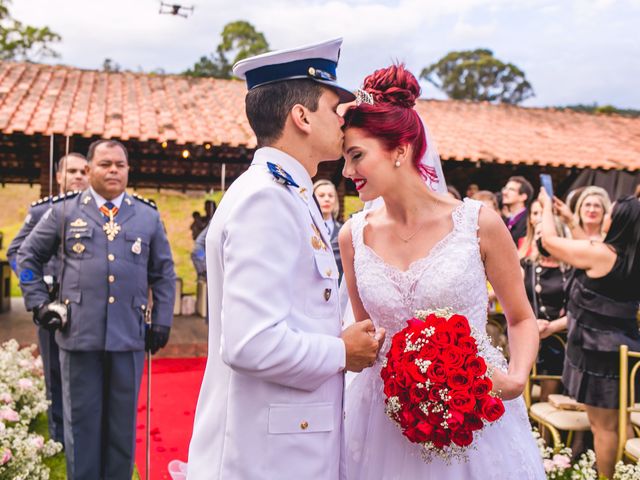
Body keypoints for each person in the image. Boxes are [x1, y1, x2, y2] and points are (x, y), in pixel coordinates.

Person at [187, 38, 384, 480]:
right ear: (301, 116)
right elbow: (250, 342)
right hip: (267, 453)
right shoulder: (267, 199)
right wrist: (341, 350)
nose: (343, 122)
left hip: (288, 440)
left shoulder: (290, 192)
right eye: (335, 109)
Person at [340, 64, 544, 478]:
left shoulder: (479, 224)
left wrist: (516, 377)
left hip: (475, 414)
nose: (347, 173)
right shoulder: (352, 236)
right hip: (382, 419)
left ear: (400, 149)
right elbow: (366, 336)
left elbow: (522, 318)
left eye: (356, 155)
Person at [17, 139, 176, 479]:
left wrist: (162, 321)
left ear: (128, 169)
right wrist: (39, 303)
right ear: (89, 170)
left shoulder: (147, 216)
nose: (113, 170)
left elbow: (164, 273)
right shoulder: (63, 212)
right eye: (105, 164)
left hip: (129, 336)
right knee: (82, 423)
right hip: (79, 337)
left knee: (121, 426)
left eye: (120, 164)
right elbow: (26, 257)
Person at [539, 192, 640, 479]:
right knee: (621, 421)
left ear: (617, 219)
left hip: (599, 353)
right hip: (623, 347)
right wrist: (570, 219)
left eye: (611, 211)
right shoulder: (630, 256)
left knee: (604, 427)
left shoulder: (603, 254)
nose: (606, 215)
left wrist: (546, 207)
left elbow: (548, 242)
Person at [7, 152, 89, 445]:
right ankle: (58, 436)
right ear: (58, 177)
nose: (78, 176)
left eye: (83, 171)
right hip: (52, 306)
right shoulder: (44, 211)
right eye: (72, 171)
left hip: (86, 306)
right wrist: (37, 291)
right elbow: (17, 253)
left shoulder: (97, 212)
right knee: (55, 372)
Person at [519, 199, 570, 402]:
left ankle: (546, 433)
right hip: (530, 333)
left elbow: (578, 308)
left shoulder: (571, 269)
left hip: (560, 337)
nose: (542, 240)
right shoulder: (526, 265)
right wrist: (532, 323)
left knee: (550, 397)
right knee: (523, 395)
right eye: (538, 235)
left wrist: (552, 326)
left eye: (547, 235)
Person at [313, 179, 343, 278]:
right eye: (321, 195)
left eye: (330, 196)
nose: (327, 199)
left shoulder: (343, 230)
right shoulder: (306, 227)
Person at [501, 176, 534, 246]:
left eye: (511, 189)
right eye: (505, 188)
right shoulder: (505, 220)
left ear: (523, 197)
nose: (504, 192)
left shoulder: (528, 221)